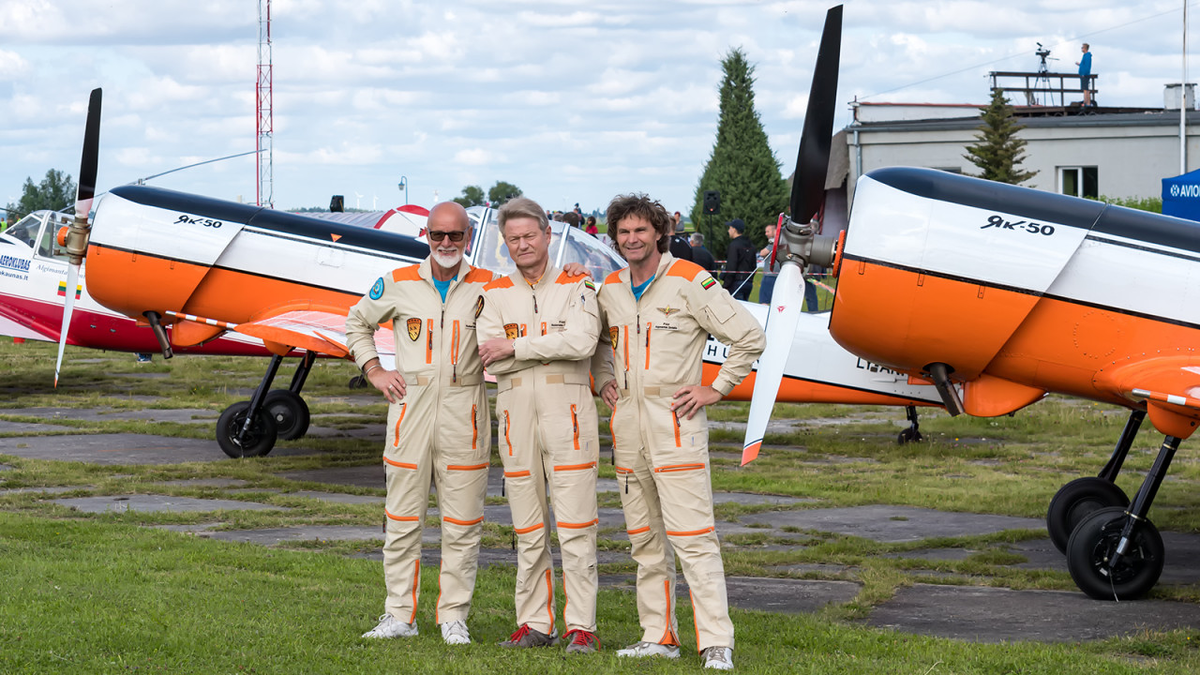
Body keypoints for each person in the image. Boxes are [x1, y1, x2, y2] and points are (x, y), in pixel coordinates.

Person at [591, 193, 766, 671]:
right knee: (644, 540)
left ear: (659, 233)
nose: (632, 239)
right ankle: (659, 636)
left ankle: (716, 643)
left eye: (640, 231)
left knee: (693, 537)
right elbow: (599, 343)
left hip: (676, 423)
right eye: (623, 232)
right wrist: (603, 378)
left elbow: (749, 336)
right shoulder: (609, 288)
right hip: (627, 426)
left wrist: (718, 388)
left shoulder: (690, 280)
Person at [345, 201, 495, 646]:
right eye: (437, 236)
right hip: (410, 409)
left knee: (462, 522)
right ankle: (399, 614)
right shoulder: (397, 283)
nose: (446, 244)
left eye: (456, 236)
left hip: (465, 409)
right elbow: (356, 322)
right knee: (402, 518)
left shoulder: (493, 285)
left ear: (469, 238)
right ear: (426, 237)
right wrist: (373, 369)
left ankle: (453, 616)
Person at [476, 197, 603, 654]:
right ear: (504, 243)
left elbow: (582, 341)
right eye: (514, 239)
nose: (523, 244)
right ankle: (534, 623)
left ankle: (581, 627)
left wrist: (517, 347)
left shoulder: (578, 285)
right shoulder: (493, 293)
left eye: (531, 236)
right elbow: (486, 349)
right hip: (516, 423)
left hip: (568, 422)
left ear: (548, 236)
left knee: (575, 527)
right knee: (528, 531)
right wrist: (541, 344)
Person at [721, 219, 755, 302]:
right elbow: (754, 265)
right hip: (748, 282)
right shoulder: (751, 245)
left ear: (734, 229)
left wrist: (726, 285)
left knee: (736, 309)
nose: (728, 231)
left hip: (736, 282)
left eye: (730, 228)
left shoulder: (734, 245)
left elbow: (731, 266)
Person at [757, 222, 777, 305]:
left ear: (774, 231)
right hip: (777, 275)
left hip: (769, 275)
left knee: (764, 302)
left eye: (768, 231)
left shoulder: (774, 242)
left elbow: (762, 253)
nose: (766, 234)